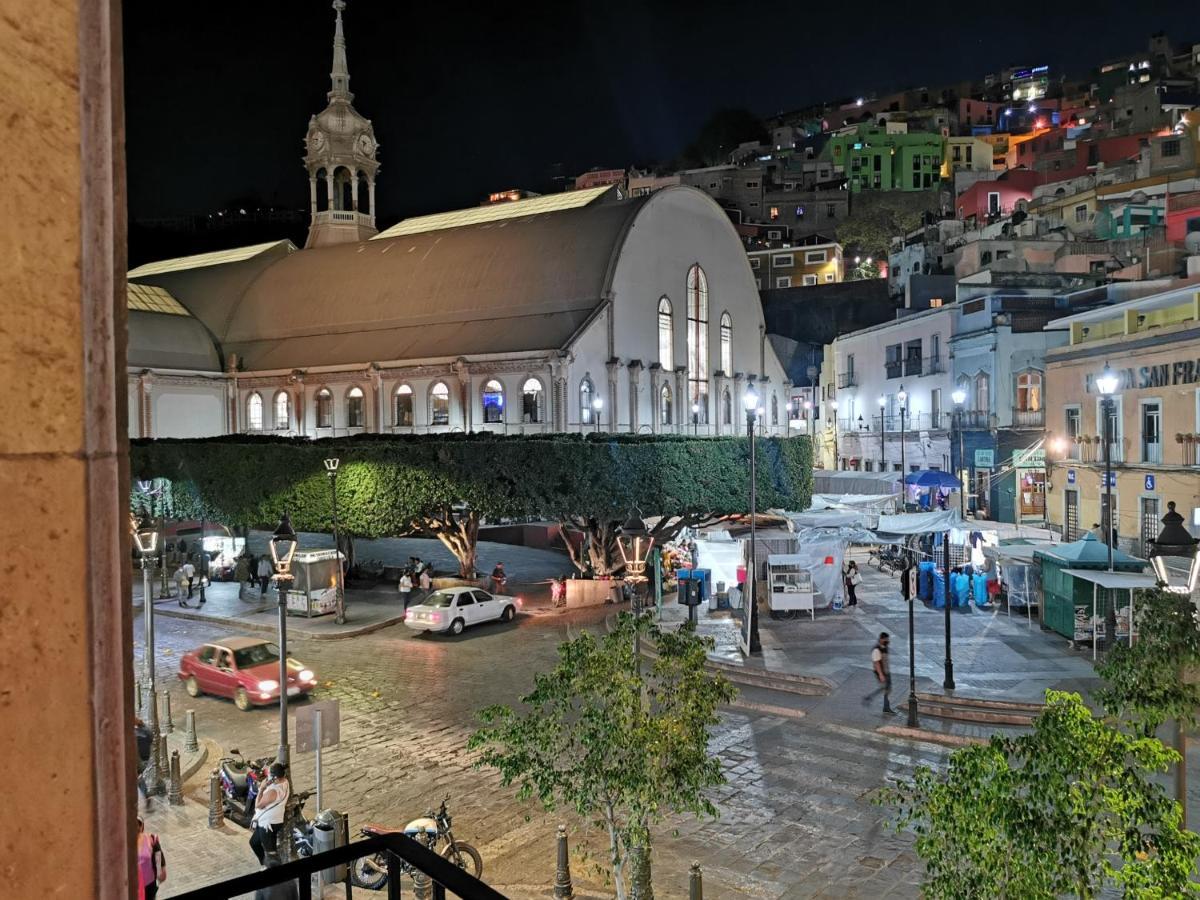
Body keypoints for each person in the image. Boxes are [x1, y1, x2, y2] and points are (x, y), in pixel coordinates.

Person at [250, 763, 290, 866]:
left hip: (268, 825)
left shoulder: (273, 792)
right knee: (254, 842)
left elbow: (258, 805)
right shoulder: (285, 781)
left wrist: (262, 788)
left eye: (270, 776)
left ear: (275, 777)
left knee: (271, 854)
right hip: (271, 821)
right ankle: (264, 863)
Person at [862, 632, 894, 715]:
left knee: (887, 689)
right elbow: (876, 663)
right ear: (881, 639)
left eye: (888, 639)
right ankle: (870, 698)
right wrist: (881, 675)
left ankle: (884, 706)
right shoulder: (876, 650)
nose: (887, 640)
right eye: (886, 639)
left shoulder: (884, 647)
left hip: (886, 671)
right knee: (885, 688)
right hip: (881, 673)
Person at [136, 816, 166, 899]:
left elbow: (158, 858)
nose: (136, 827)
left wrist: (160, 872)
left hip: (149, 885)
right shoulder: (122, 843)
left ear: (142, 827)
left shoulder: (151, 839)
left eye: (138, 824)